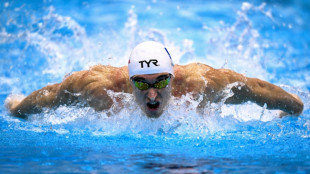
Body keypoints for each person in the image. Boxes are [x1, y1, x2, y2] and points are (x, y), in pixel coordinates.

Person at [5, 41, 304, 119]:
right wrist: (18, 108)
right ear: (128, 80)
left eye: (161, 83)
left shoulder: (200, 83)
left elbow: (253, 88)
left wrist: (294, 107)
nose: (152, 95)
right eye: (142, 84)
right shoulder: (99, 88)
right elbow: (54, 94)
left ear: (174, 79)